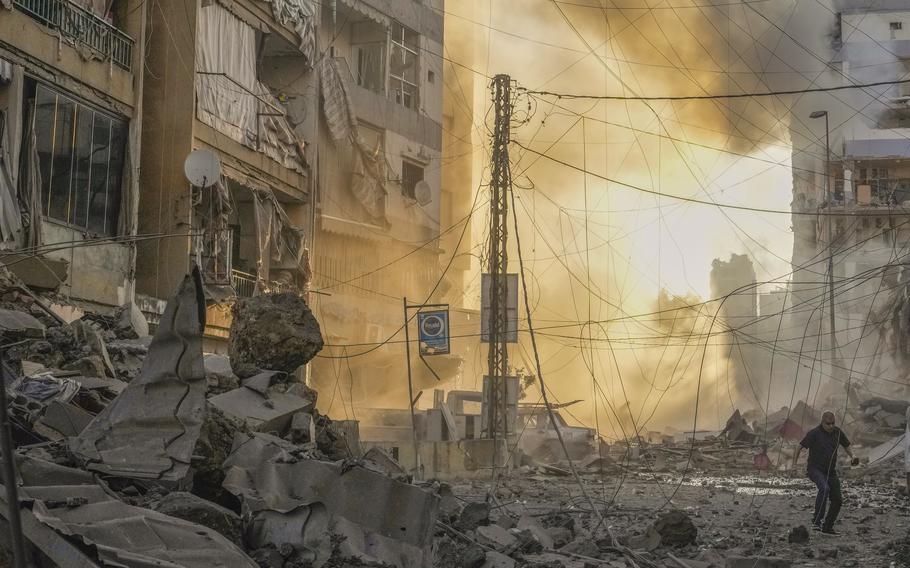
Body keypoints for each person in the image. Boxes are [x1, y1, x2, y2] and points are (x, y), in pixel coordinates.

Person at [792, 411, 858, 534]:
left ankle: (827, 527)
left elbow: (847, 445)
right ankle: (817, 521)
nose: (831, 426)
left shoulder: (837, 432)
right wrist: (794, 465)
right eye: (828, 424)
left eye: (833, 423)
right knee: (824, 488)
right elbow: (798, 447)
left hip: (830, 471)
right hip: (815, 469)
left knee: (838, 499)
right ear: (822, 422)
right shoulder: (814, 433)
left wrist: (853, 456)